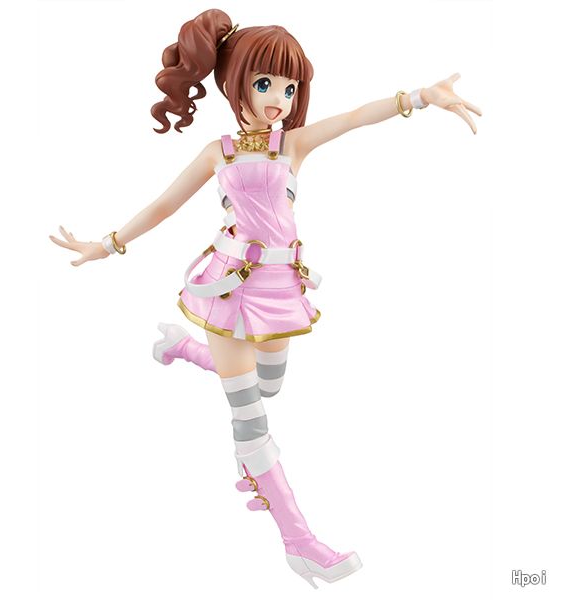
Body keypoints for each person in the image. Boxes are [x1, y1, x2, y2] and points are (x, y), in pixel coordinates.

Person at [49, 8, 482, 588]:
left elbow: (355, 117)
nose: (278, 98)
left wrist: (422, 97)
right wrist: (106, 244)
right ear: (236, 84)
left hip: (280, 287)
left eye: (289, 87)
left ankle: (183, 349)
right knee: (251, 420)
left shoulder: (293, 144)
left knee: (270, 385)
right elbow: (164, 204)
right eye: (264, 83)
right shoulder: (219, 151)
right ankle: (300, 543)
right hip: (227, 288)